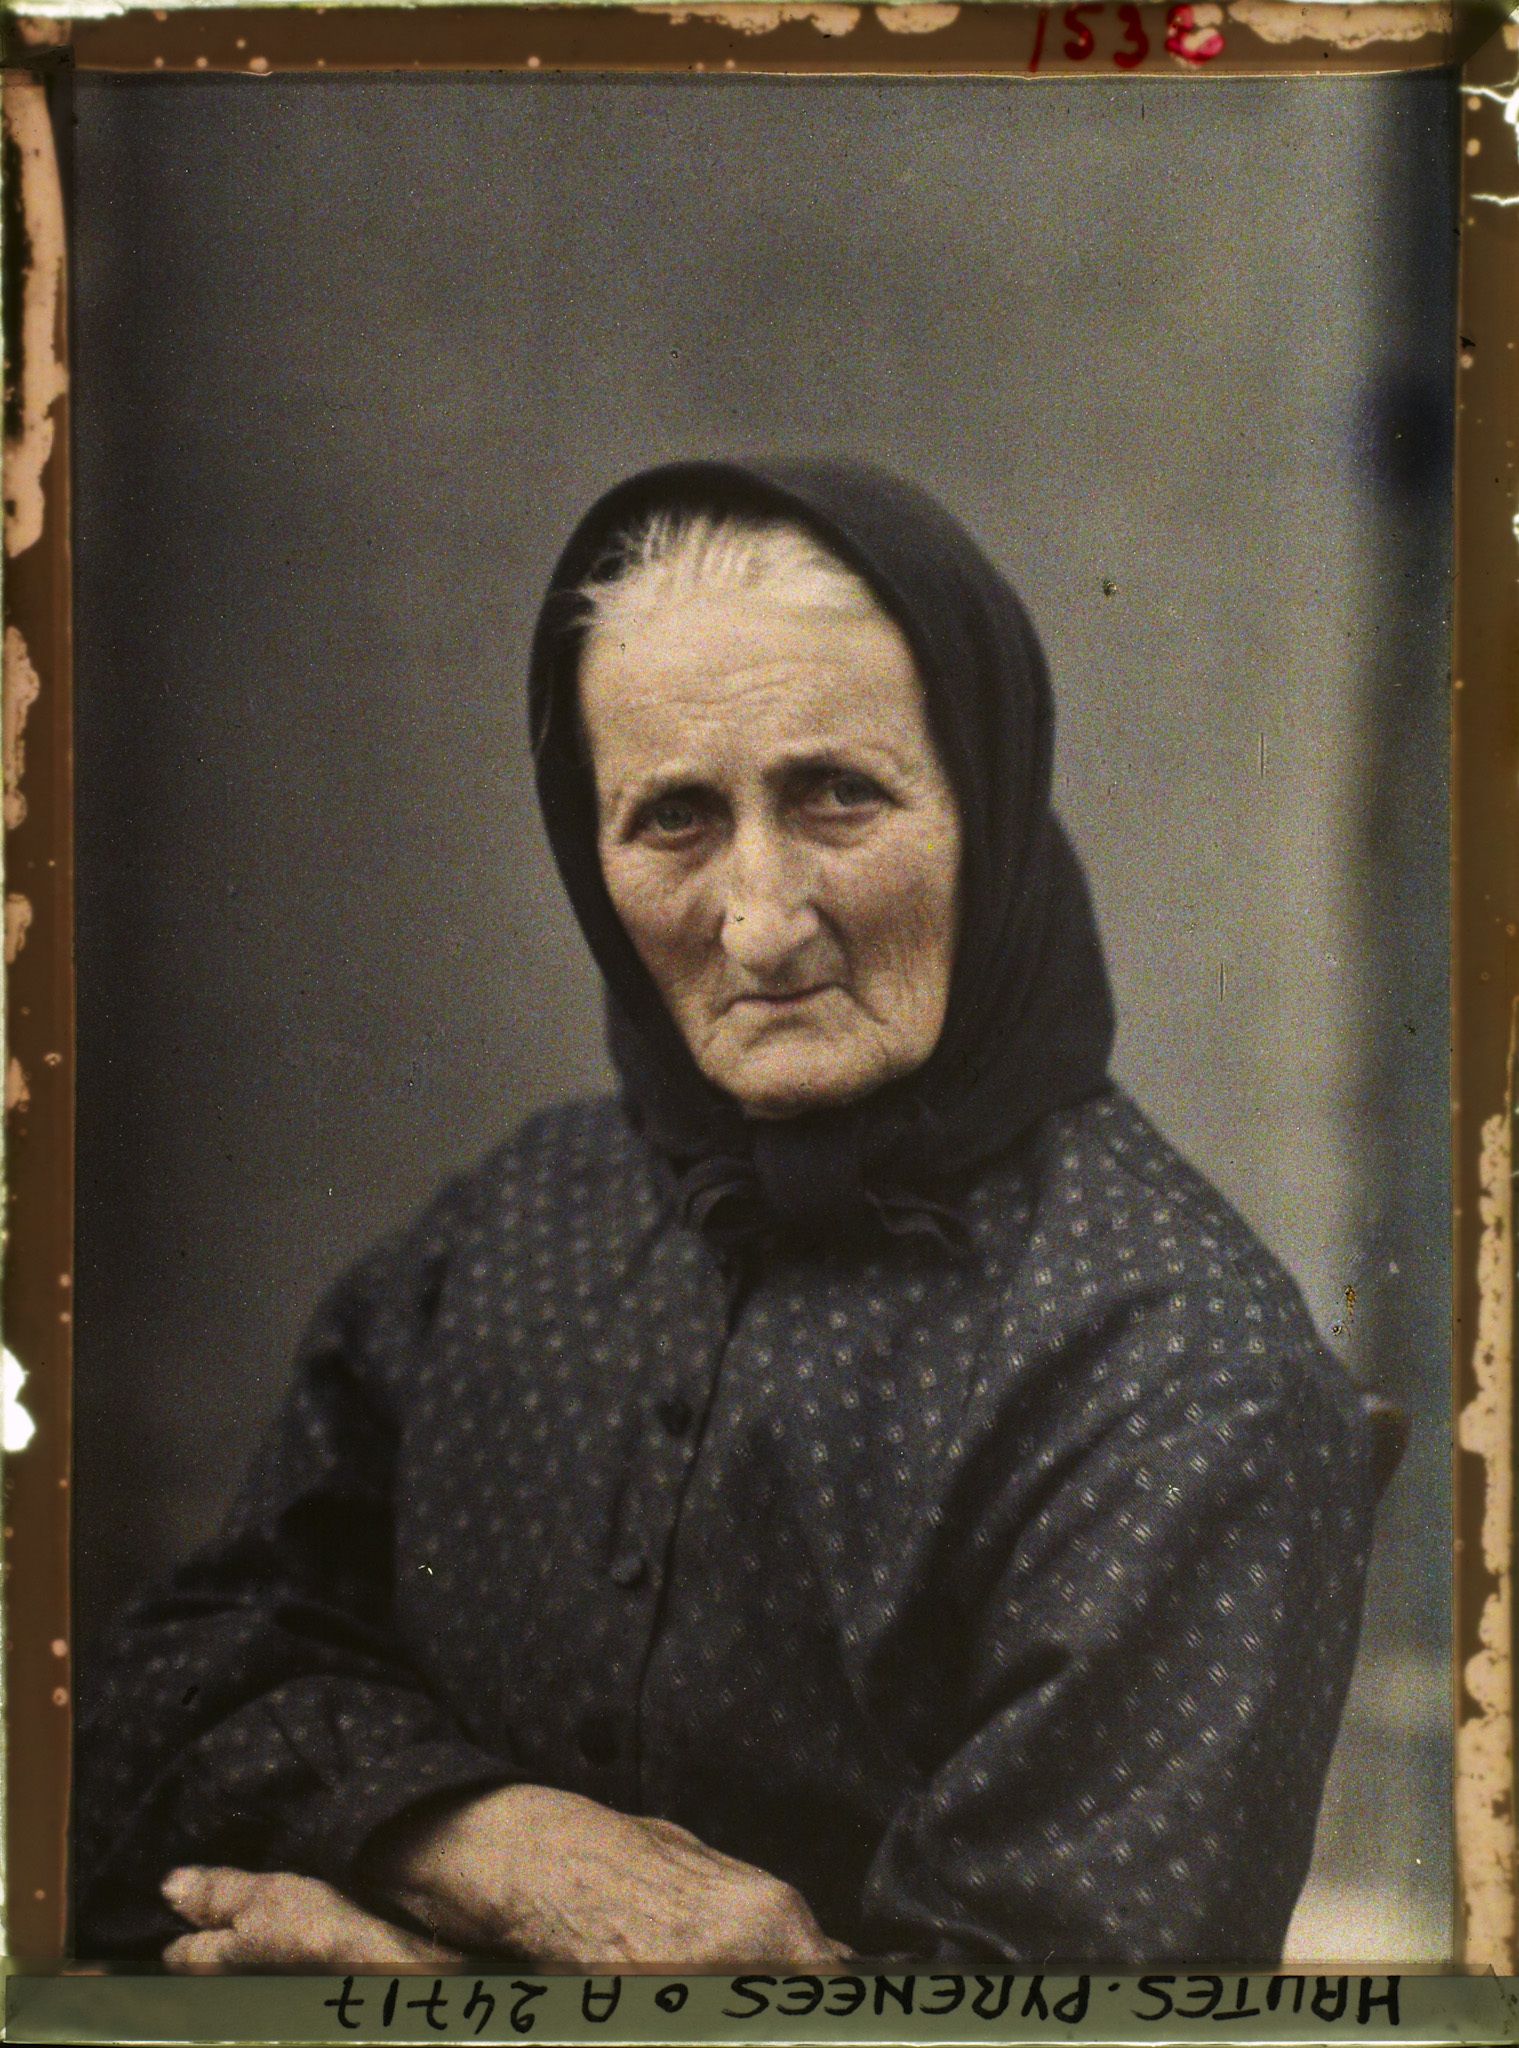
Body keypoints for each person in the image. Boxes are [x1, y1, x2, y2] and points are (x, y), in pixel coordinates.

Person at [76, 459, 1385, 1972]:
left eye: (841, 795)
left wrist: (432, 1995)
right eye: (675, 820)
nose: (761, 921)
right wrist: (490, 1853)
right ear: (591, 855)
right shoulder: (512, 1226)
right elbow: (151, 1706)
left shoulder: (1179, 1373)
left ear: (992, 803)